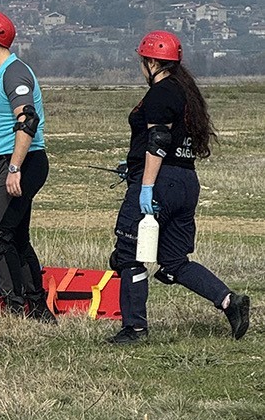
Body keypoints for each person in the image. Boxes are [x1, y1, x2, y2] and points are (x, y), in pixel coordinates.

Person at [107, 30, 250, 344]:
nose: (141, 66)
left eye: (142, 61)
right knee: (173, 261)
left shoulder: (161, 93)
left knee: (128, 256)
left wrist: (145, 185)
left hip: (161, 181)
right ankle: (230, 302)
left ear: (153, 61)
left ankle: (134, 329)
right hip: (186, 180)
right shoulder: (184, 92)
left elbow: (158, 141)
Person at [0, 10, 54, 322]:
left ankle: (20, 306)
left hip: (26, 162)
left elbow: (26, 120)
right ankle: (38, 310)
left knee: (0, 235)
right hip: (7, 160)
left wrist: (16, 168)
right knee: (16, 237)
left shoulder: (14, 73)